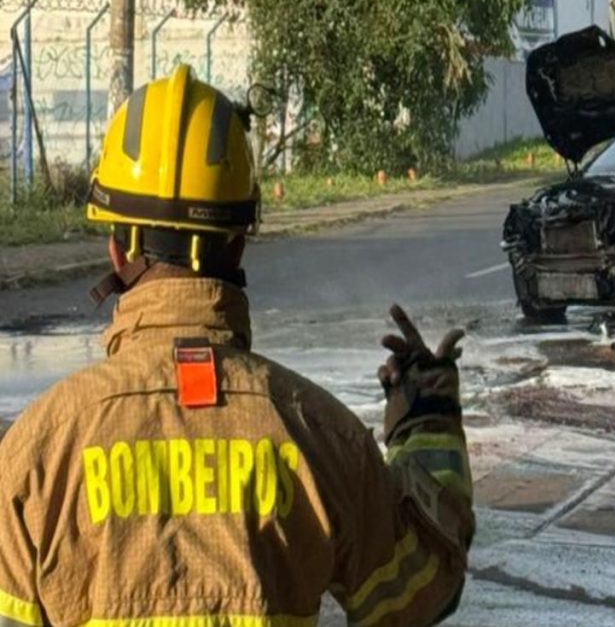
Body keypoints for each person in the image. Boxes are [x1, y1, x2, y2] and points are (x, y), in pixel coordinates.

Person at [0, 65, 473, 627]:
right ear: (239, 243)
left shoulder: (38, 452)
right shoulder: (322, 436)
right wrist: (429, 427)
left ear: (116, 249)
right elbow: (420, 593)